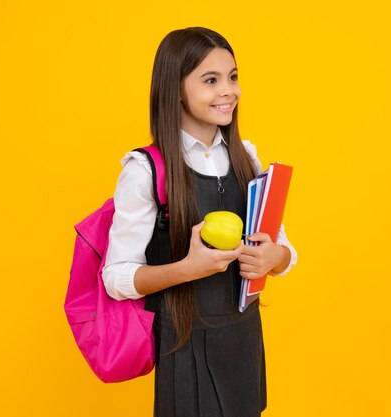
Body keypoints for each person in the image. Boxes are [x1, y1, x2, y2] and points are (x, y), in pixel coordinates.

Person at [102, 27, 297, 417]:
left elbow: (283, 248)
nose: (228, 91)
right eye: (211, 80)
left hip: (242, 342)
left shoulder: (248, 157)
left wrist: (273, 257)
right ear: (175, 88)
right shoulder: (146, 171)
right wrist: (186, 269)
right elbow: (116, 277)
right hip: (183, 344)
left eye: (233, 77)